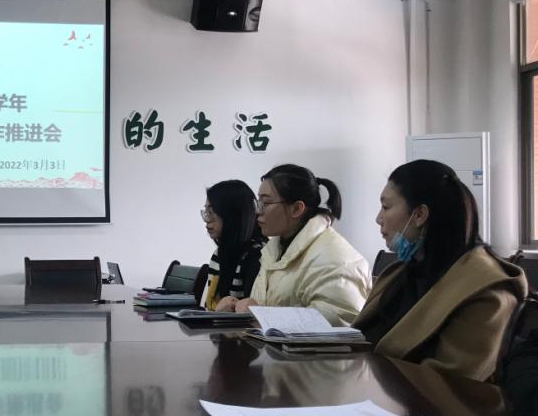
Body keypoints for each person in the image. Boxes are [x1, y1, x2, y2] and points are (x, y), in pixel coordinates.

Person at [352, 159, 526, 381]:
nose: (378, 219)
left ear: (419, 215)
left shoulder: (486, 289)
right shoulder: (402, 272)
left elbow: (452, 382)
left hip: (420, 400)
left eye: (386, 207)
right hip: (370, 388)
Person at [226, 164, 371, 326]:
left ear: (296, 209)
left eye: (265, 203)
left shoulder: (336, 260)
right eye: (258, 203)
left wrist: (260, 314)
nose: (258, 211)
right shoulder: (274, 250)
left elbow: (334, 324)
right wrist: (231, 312)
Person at [202, 179, 265, 311]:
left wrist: (219, 314)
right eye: (206, 212)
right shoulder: (220, 253)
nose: (206, 220)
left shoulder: (257, 256)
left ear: (232, 215)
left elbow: (251, 313)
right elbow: (211, 306)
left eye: (211, 212)